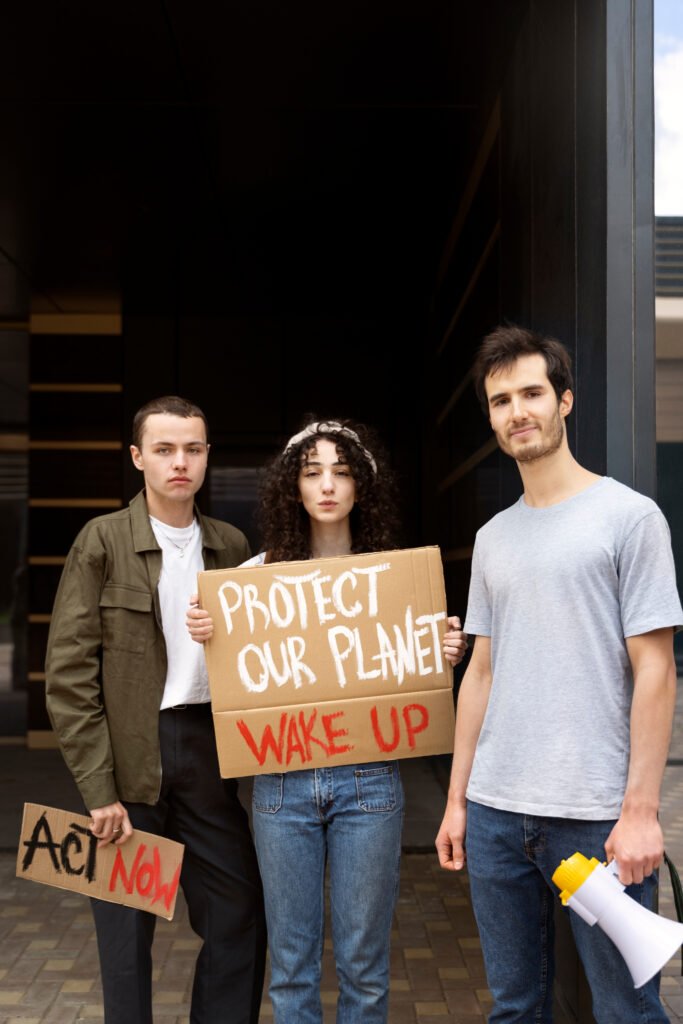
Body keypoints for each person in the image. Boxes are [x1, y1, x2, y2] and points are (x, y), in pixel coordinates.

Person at [435, 325, 683, 1023]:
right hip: (494, 814)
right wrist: (456, 801)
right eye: (500, 401)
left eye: (532, 394)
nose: (517, 412)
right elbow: (480, 673)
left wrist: (641, 811)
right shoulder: (491, 538)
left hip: (595, 818)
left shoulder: (629, 518)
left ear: (564, 400)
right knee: (515, 1009)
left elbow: (656, 668)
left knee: (626, 1010)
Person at [187, 417, 468, 1024]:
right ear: (294, 487)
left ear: (362, 485)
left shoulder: (395, 579)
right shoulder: (255, 578)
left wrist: (441, 649)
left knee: (364, 968)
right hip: (280, 785)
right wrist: (207, 631)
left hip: (369, 782)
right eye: (313, 473)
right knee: (292, 968)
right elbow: (227, 676)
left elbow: (414, 661)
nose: (328, 485)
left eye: (342, 472)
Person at [45, 396, 266, 1024]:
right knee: (125, 934)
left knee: (239, 913)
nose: (180, 462)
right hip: (128, 755)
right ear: (139, 457)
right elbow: (68, 674)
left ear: (207, 456)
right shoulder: (103, 540)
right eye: (164, 450)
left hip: (205, 752)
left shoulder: (230, 545)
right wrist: (98, 791)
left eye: (192, 449)